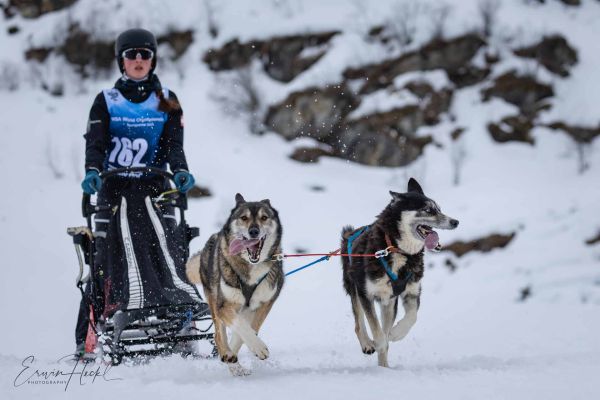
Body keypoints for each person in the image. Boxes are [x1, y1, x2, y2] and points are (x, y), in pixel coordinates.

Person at [74, 28, 197, 358]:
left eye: (145, 54)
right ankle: (88, 338)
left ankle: (180, 324)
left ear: (153, 60)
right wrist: (92, 171)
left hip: (155, 187)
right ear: (122, 61)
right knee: (103, 257)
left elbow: (174, 145)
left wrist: (180, 170)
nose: (139, 60)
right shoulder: (106, 101)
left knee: (168, 248)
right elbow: (96, 143)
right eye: (132, 55)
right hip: (113, 190)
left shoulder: (167, 99)